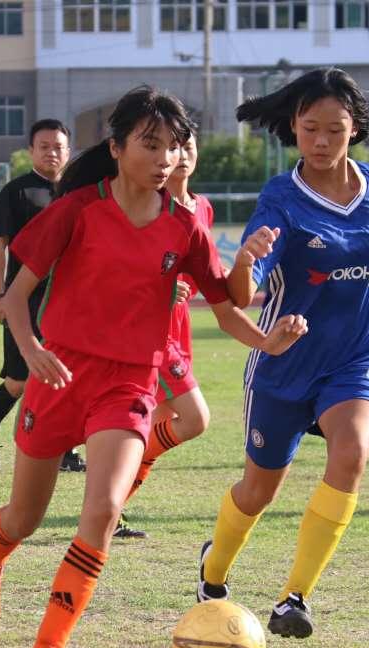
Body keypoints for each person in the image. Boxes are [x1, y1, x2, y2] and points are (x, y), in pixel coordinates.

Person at [0, 85, 306, 648]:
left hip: (128, 384)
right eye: (151, 144)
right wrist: (33, 348)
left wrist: (267, 341)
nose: (166, 157)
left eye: (174, 146)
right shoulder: (76, 212)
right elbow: (14, 297)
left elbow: (226, 310)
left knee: (101, 511)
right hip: (58, 378)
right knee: (24, 517)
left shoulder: (185, 228)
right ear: (117, 148)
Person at [195, 67, 369, 641]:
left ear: (356, 129)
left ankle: (293, 597)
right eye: (309, 129)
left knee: (351, 452)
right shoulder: (280, 197)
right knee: (258, 491)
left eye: (335, 129)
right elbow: (242, 294)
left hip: (359, 356)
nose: (321, 141)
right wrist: (245, 261)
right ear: (294, 130)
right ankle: (213, 570)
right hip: (285, 362)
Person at [0, 119, 86, 475]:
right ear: (31, 151)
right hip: (25, 300)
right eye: (44, 146)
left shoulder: (80, 192)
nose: (52, 152)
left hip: (70, 299)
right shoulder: (17, 192)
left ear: (69, 152)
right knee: (20, 381)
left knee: (67, 374)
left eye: (58, 146)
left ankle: (66, 449)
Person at [116, 131, 214, 539]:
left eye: (189, 147)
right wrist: (160, 285)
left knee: (158, 420)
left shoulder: (202, 207)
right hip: (152, 330)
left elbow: (205, 271)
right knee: (191, 419)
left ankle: (112, 506)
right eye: (175, 148)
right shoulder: (149, 206)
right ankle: (107, 498)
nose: (183, 156)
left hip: (181, 327)